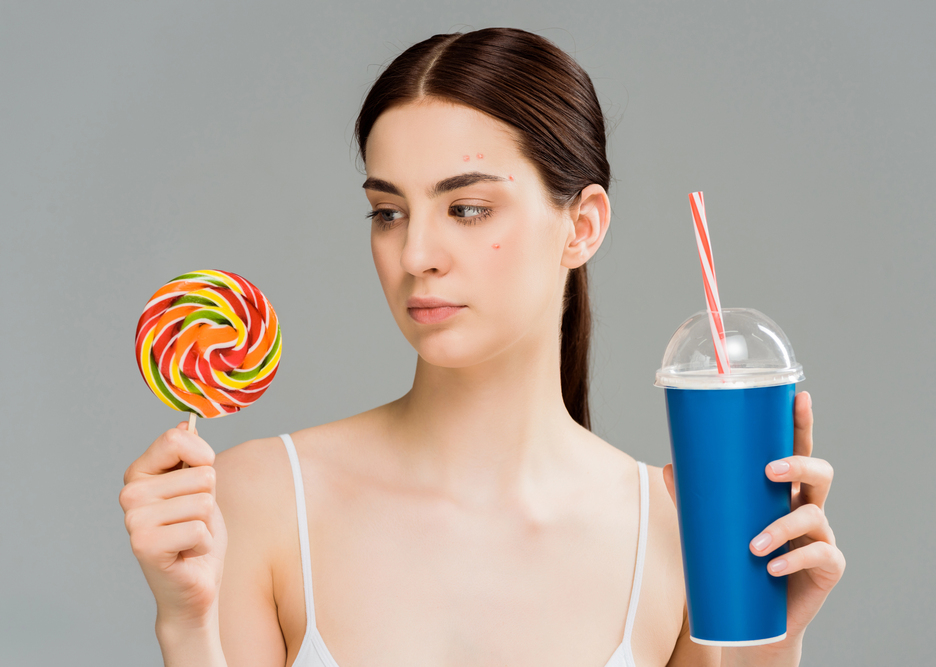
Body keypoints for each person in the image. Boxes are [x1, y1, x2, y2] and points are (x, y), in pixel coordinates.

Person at [120, 27, 845, 667]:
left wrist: (769, 648)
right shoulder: (261, 498)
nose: (416, 253)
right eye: (388, 211)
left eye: (467, 208)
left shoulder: (682, 529)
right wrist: (186, 625)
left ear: (582, 226)